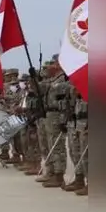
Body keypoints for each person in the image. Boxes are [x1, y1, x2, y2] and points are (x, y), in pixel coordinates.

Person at [37, 57, 67, 188]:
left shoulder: (64, 78)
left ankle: (59, 175)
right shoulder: (52, 80)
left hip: (57, 114)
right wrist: (34, 79)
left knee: (57, 145)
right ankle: (52, 171)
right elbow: (40, 90)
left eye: (53, 63)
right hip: (49, 114)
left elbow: (57, 90)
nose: (49, 67)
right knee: (49, 144)